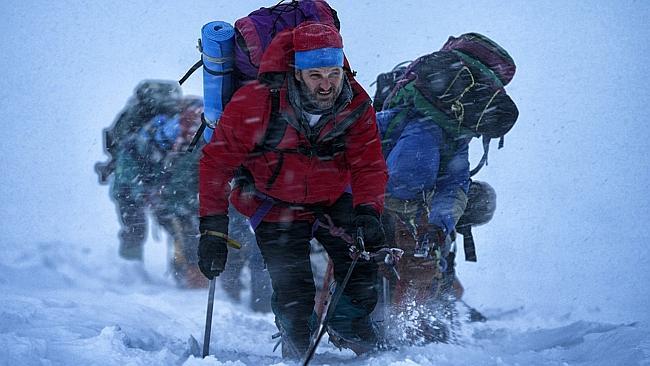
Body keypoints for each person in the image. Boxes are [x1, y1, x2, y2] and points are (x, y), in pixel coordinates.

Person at [197, 22, 388, 359]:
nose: (327, 84)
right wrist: (212, 228)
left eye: (334, 72)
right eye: (316, 75)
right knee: (293, 290)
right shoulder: (255, 102)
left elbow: (369, 164)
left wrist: (368, 210)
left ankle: (348, 325)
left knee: (363, 260)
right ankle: (296, 343)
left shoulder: (356, 104)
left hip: (332, 198)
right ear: (297, 73)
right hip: (272, 204)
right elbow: (216, 164)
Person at [375, 79, 471, 344]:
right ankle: (416, 323)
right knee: (422, 259)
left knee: (407, 258)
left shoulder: (390, 122)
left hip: (386, 200)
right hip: (414, 206)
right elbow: (455, 185)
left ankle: (398, 324)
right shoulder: (452, 135)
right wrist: (440, 226)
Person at [96, 81, 207, 288]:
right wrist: (146, 192)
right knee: (142, 228)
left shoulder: (169, 136)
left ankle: (182, 274)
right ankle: (129, 277)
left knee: (173, 226)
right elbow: (130, 173)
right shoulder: (147, 140)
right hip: (135, 186)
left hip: (150, 186)